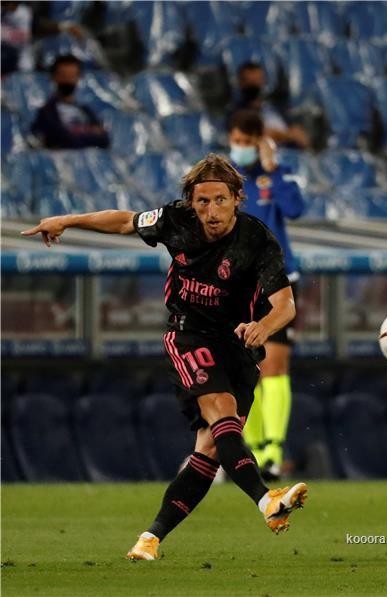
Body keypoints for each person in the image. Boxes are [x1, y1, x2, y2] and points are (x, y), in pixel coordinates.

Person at [21, 153, 308, 561]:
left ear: (238, 198)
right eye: (202, 201)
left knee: (209, 450)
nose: (210, 211)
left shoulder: (256, 239)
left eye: (220, 200)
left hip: (238, 345)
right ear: (191, 202)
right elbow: (123, 220)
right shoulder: (175, 220)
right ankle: (267, 501)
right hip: (189, 335)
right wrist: (67, 220)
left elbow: (285, 304)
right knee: (222, 413)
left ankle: (150, 538)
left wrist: (264, 326)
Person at [228, 108, 306, 479]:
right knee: (248, 367)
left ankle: (274, 451)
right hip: (237, 283)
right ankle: (255, 451)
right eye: (237, 141)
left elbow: (295, 208)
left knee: (275, 363)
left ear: (259, 141)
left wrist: (272, 169)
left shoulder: (275, 174)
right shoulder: (225, 179)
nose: (241, 148)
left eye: (248, 142)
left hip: (277, 278)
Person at [30, 53, 109, 149]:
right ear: (53, 77)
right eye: (63, 75)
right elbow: (64, 140)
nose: (68, 80)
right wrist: (90, 132)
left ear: (78, 78)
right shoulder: (46, 112)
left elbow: (104, 139)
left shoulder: (85, 110)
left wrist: (78, 136)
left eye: (72, 75)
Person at [229, 61, 309, 149]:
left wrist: (283, 135)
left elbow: (301, 136)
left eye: (257, 80)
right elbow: (254, 136)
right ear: (240, 83)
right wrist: (288, 135)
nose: (254, 84)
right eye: (249, 81)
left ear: (263, 81)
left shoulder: (275, 108)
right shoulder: (237, 111)